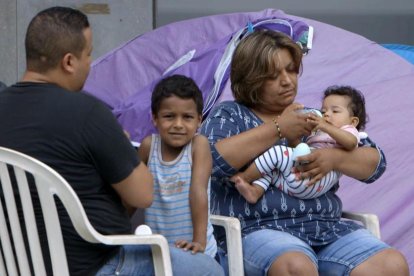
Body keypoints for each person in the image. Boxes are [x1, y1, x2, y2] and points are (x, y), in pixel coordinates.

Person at [0, 7, 223, 276]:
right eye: (89, 54)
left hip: (14, 265)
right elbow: (142, 194)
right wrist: (117, 144)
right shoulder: (87, 113)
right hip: (94, 265)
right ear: (69, 61)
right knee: (209, 269)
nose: (90, 64)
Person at [200, 29, 409, 275]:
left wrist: (335, 158)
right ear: (250, 78)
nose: (287, 81)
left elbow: (375, 163)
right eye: (272, 75)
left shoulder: (317, 117)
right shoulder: (229, 114)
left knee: (391, 265)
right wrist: (278, 128)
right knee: (296, 266)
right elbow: (208, 160)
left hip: (326, 229)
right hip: (258, 230)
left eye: (290, 69)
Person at [232, 85, 366, 203]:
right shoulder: (319, 132)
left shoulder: (348, 130)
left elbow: (351, 143)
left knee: (277, 152)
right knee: (271, 169)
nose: (326, 115)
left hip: (317, 180)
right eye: (324, 111)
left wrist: (325, 127)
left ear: (353, 121)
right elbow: (301, 154)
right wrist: (294, 139)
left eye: (335, 111)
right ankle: (255, 191)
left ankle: (245, 177)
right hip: (296, 184)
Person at [138, 74, 218, 257]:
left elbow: (198, 191)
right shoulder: (149, 147)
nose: (178, 125)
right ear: (155, 118)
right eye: (169, 116)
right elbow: (132, 194)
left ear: (199, 120)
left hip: (196, 251)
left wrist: (199, 242)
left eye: (187, 117)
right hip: (158, 253)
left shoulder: (198, 146)